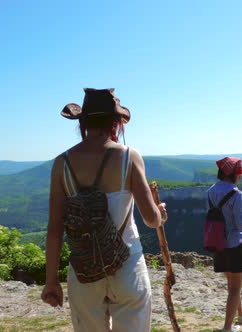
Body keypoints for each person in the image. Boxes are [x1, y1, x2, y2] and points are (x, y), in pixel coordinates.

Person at [41, 88, 167, 332]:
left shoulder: (62, 164)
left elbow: (54, 229)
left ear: (83, 122)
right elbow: (151, 219)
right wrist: (160, 213)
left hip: (84, 271)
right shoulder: (129, 156)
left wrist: (51, 281)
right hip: (127, 266)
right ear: (116, 122)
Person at [207, 157, 242, 332]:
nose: (241, 177)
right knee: (235, 288)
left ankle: (241, 311)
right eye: (240, 174)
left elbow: (217, 217)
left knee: (231, 284)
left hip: (218, 242)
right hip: (235, 244)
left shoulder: (211, 191)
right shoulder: (236, 194)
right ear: (234, 174)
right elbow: (239, 224)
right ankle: (228, 328)